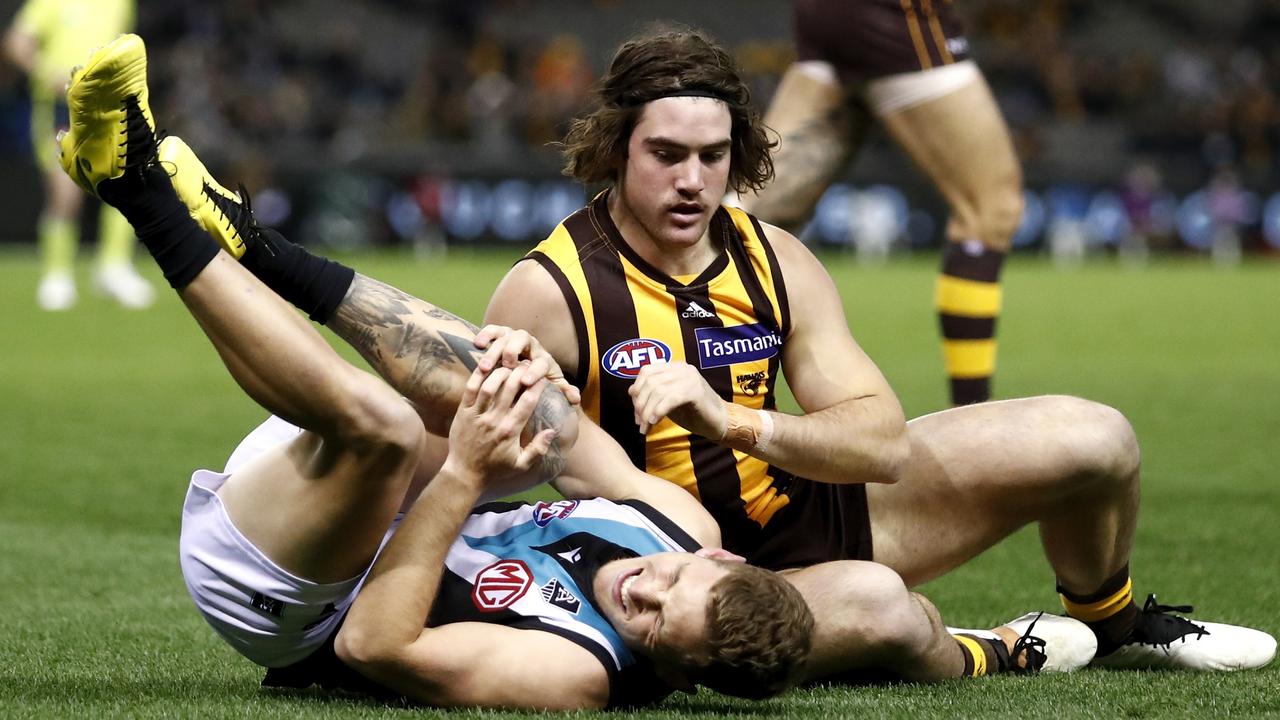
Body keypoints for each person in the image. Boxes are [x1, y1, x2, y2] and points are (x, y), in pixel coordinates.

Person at [482, 26, 1277, 681]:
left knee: (1097, 439)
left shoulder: (775, 258)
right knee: (876, 606)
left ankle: (1112, 621)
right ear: (618, 148)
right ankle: (989, 651)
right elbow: (478, 460)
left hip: (824, 509)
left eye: (714, 156)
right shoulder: (551, 288)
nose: (694, 181)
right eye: (666, 154)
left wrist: (734, 422)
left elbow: (883, 443)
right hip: (674, 579)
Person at [56, 34, 815, 709]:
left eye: (653, 622)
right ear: (713, 557)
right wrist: (523, 380)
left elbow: (373, 648)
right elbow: (584, 449)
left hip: (292, 588)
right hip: (351, 489)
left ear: (674, 675)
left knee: (386, 430)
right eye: (676, 581)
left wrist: (463, 474)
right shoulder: (681, 527)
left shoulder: (573, 674)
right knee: (540, 409)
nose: (643, 588)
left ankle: (136, 186)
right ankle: (252, 239)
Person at [731, 0, 1020, 407]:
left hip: (828, 15)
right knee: (991, 209)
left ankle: (645, 352)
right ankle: (974, 414)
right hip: (897, 16)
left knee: (739, 224)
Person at [3, 0, 153, 310]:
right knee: (64, 189)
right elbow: (16, 42)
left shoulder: (120, 4)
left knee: (124, 183)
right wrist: (47, 73)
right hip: (61, 107)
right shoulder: (48, 3)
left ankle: (113, 268)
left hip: (107, 104)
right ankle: (57, 275)